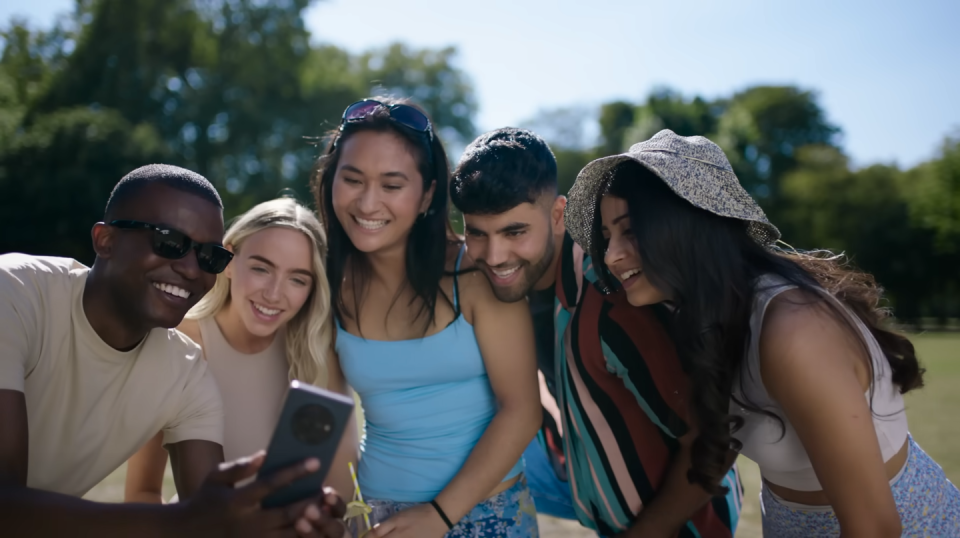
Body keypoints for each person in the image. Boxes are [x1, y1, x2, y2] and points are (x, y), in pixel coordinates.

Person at [563, 129, 960, 537]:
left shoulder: (793, 330)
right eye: (608, 237)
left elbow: (874, 527)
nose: (610, 256)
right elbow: (712, 448)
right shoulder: (711, 316)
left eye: (630, 231)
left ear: (687, 225)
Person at [0, 164, 347, 537]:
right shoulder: (15, 294)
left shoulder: (186, 373)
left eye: (207, 257)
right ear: (105, 240)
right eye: (169, 242)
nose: (190, 269)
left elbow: (214, 519)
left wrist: (287, 525)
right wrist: (180, 522)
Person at [450, 127, 743, 538]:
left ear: (557, 216)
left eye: (515, 232)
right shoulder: (512, 289)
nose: (495, 256)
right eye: (478, 233)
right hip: (595, 496)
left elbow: (712, 438)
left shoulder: (611, 299)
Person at [311, 98, 542, 537]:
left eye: (392, 185)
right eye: (353, 179)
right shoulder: (326, 284)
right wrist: (349, 509)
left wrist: (438, 515)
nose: (368, 202)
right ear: (330, 182)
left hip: (489, 512)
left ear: (427, 195)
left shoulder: (475, 272)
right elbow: (333, 419)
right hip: (379, 517)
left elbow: (522, 411)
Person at [124, 196, 358, 505]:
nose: (274, 294)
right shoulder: (178, 342)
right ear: (229, 261)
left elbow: (342, 498)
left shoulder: (316, 351)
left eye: (297, 279)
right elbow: (143, 492)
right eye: (262, 268)